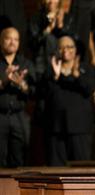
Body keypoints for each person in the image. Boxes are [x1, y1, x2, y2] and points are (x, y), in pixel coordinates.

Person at [43, 35, 95, 166]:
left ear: (76, 49)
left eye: (69, 46)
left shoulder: (86, 69)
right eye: (61, 47)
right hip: (56, 129)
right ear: (56, 51)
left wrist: (77, 75)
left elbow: (89, 90)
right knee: (56, 171)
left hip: (80, 129)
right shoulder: (50, 70)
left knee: (81, 171)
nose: (66, 50)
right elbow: (45, 95)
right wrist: (55, 76)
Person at [0, 27, 35, 167]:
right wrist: (4, 81)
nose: (12, 42)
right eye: (8, 38)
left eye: (16, 39)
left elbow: (33, 91)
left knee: (19, 159)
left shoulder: (26, 64)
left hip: (19, 116)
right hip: (0, 115)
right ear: (1, 41)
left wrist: (22, 84)